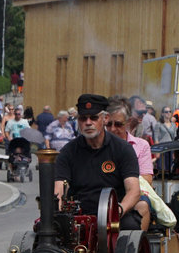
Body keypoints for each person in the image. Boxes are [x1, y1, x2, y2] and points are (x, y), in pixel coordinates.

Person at [54, 93, 143, 232]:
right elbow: (58, 191)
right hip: (78, 216)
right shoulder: (67, 152)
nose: (88, 122)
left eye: (94, 118)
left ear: (105, 118)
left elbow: (134, 191)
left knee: (130, 228)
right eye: (83, 118)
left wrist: (119, 210)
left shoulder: (123, 149)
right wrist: (58, 216)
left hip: (114, 215)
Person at [105, 98, 152, 230]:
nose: (113, 129)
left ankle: (136, 246)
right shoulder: (98, 146)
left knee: (142, 205)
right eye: (109, 125)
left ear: (128, 123)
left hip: (132, 193)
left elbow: (147, 179)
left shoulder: (141, 145)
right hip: (105, 194)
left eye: (118, 125)